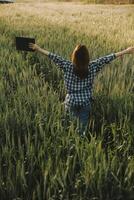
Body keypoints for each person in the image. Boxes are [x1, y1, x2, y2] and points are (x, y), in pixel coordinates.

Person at [29, 43, 134, 136]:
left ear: (74, 57)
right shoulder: (93, 66)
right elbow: (108, 58)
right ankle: (81, 140)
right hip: (85, 102)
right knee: (82, 129)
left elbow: (52, 56)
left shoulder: (67, 66)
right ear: (87, 58)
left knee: (70, 126)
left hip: (71, 101)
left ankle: (70, 141)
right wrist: (126, 51)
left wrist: (38, 48)